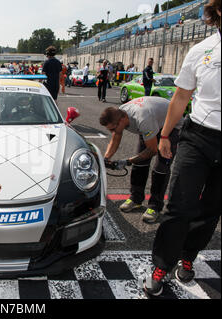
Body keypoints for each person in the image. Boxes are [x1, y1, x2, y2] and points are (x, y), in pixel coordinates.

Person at [143, 0, 221, 297]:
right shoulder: (201, 49)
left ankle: (188, 257)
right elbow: (180, 97)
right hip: (198, 136)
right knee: (179, 205)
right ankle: (161, 265)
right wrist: (164, 135)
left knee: (213, 207)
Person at [100, 96, 183, 223]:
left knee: (160, 168)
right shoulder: (121, 113)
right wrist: (106, 158)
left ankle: (155, 206)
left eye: (113, 128)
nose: (112, 131)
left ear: (122, 120)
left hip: (170, 126)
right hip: (150, 125)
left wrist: (126, 162)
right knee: (140, 164)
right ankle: (136, 198)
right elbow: (116, 136)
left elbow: (152, 150)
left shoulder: (143, 119)